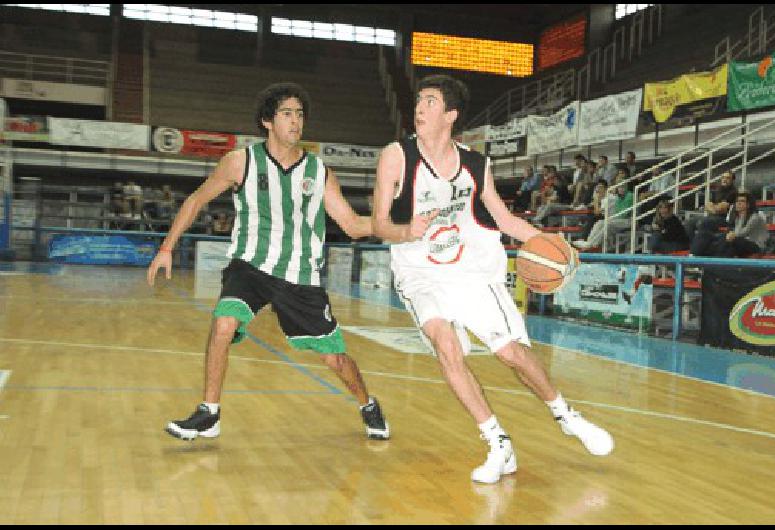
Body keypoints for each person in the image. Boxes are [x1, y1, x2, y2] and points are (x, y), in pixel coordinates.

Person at [372, 74, 613, 484]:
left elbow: (502, 220)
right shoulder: (396, 156)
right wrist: (404, 230)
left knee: (511, 354)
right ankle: (498, 442)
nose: (419, 108)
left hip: (470, 271)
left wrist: (550, 243)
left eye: (430, 102)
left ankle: (566, 416)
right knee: (446, 346)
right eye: (419, 101)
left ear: (450, 114)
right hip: (419, 272)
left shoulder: (474, 163)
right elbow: (379, 223)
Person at [147, 82, 390, 442]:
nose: (296, 121)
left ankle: (367, 403)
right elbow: (196, 200)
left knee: (334, 360)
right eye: (287, 114)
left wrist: (399, 228)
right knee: (224, 323)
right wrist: (167, 247)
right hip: (250, 266)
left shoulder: (318, 171)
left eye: (300, 114)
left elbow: (354, 226)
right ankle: (209, 412)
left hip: (299, 276)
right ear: (267, 121)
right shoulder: (240, 162)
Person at [691, 191, 768, 257]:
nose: (738, 203)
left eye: (742, 201)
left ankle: (717, 262)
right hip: (740, 242)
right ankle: (694, 256)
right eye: (737, 201)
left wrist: (730, 235)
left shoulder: (755, 217)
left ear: (748, 205)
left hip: (755, 245)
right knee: (705, 235)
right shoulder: (738, 217)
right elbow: (736, 233)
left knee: (729, 240)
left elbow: (743, 233)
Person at [573, 169, 634, 250]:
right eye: (619, 187)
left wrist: (611, 218)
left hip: (627, 221)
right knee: (600, 222)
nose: (620, 189)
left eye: (622, 187)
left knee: (607, 223)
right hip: (617, 220)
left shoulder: (630, 196)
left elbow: (624, 214)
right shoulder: (618, 198)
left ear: (626, 187)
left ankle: (593, 244)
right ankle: (588, 241)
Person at [684, 170, 737, 241]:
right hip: (712, 216)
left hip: (724, 219)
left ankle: (703, 246)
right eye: (723, 177)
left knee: (703, 223)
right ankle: (692, 245)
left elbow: (720, 209)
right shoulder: (718, 190)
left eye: (728, 178)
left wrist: (713, 208)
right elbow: (708, 205)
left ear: (732, 180)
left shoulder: (733, 192)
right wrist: (714, 208)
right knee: (689, 222)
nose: (724, 179)